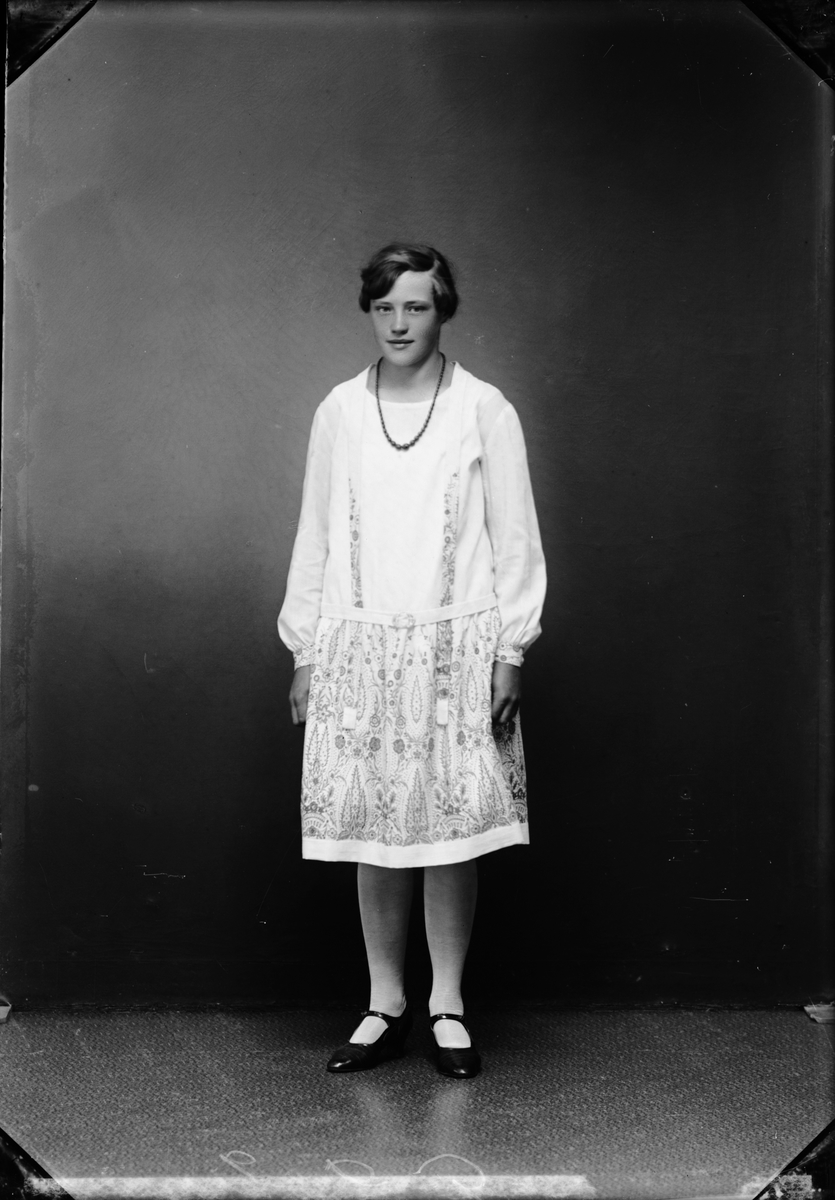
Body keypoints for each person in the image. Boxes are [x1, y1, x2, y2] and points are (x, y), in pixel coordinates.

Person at [278, 243, 546, 1078]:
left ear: (442, 312)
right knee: (375, 830)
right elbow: (316, 531)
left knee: (449, 833)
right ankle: (384, 1002)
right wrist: (306, 648)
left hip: (455, 645)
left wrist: (509, 649)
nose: (399, 323)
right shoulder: (339, 410)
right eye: (385, 307)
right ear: (369, 311)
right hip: (359, 643)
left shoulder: (483, 408)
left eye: (416, 306)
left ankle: (448, 1005)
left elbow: (515, 537)